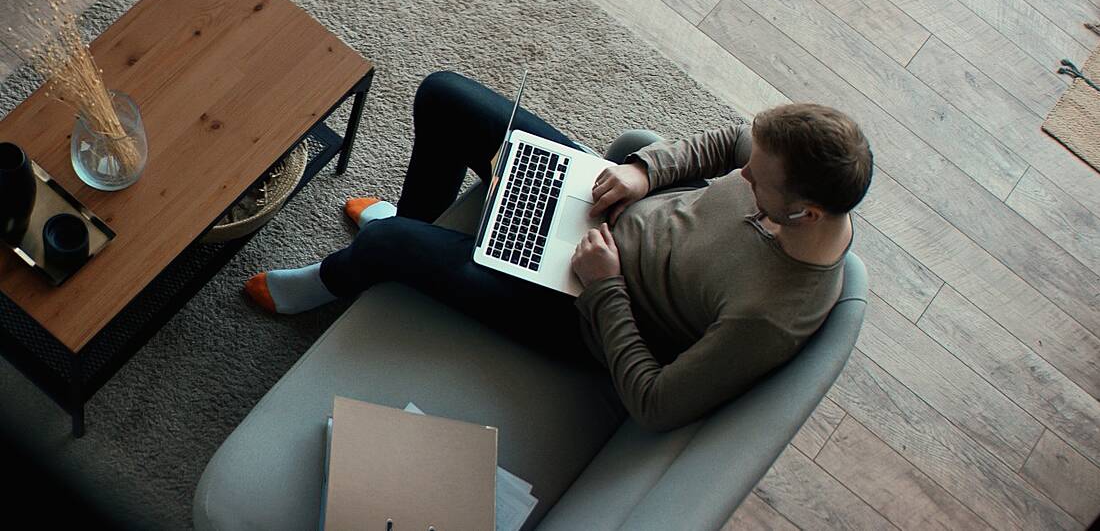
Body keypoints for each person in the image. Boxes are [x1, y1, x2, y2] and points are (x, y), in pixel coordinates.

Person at [244, 70, 873, 432]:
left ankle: (336, 279)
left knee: (391, 244)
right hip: (604, 204)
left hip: (582, 308)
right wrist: (644, 173)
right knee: (442, 96)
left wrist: (604, 285)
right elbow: (728, 144)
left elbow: (656, 403)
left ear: (805, 212)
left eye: (754, 182)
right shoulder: (787, 175)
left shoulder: (770, 315)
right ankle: (417, 230)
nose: (743, 177)